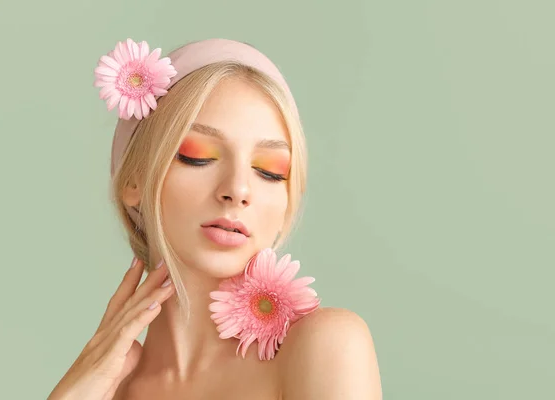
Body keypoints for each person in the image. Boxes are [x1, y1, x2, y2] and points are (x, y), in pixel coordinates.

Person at [48, 38, 382, 400]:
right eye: (198, 155)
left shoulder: (324, 346)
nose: (237, 189)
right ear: (134, 180)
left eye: (270, 171)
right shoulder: (107, 391)